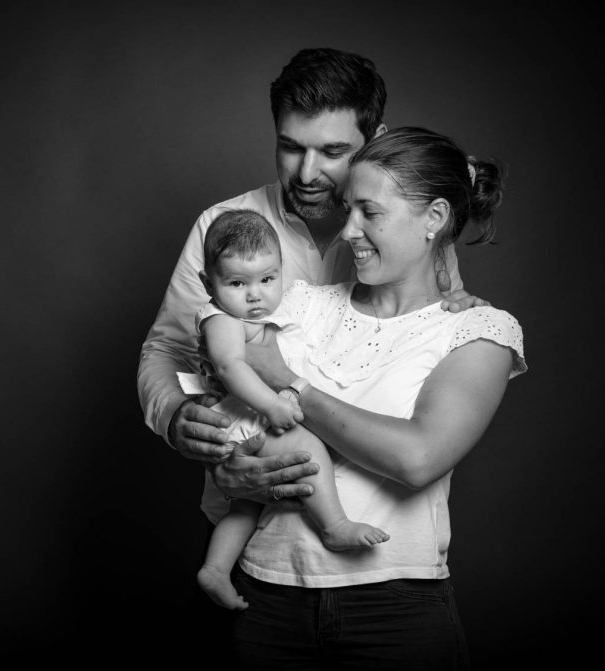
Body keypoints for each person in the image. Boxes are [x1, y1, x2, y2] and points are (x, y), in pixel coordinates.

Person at [138, 48, 486, 528]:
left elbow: (434, 364)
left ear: (375, 140)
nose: (306, 173)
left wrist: (463, 310)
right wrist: (177, 418)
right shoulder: (220, 226)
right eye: (291, 147)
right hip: (246, 521)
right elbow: (168, 347)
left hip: (375, 525)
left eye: (332, 152)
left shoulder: (409, 238)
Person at [225, 126, 527, 671]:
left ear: (434, 219)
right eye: (347, 210)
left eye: (369, 212)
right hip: (264, 596)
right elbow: (240, 416)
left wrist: (292, 384)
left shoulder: (479, 331)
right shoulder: (301, 304)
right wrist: (232, 465)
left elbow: (418, 458)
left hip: (395, 609)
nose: (348, 231)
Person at [191, 209, 388, 611]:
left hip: (245, 422)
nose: (254, 295)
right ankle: (334, 526)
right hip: (248, 415)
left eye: (268, 279)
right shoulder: (222, 319)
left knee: (246, 508)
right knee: (307, 449)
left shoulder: (265, 313)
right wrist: (272, 404)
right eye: (236, 283)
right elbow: (231, 366)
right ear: (206, 283)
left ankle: (215, 567)